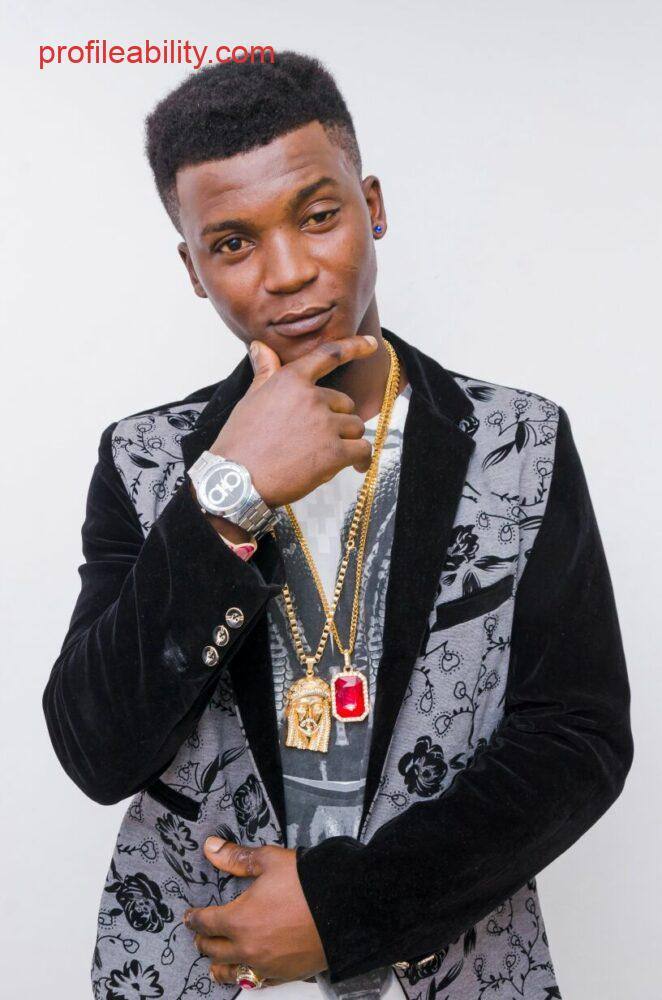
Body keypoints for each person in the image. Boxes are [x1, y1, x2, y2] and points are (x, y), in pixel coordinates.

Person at [43, 51, 634, 1000]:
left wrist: (342, 910)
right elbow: (97, 751)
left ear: (373, 205)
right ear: (193, 269)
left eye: (318, 216)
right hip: (197, 967)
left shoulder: (518, 442)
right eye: (232, 243)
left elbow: (578, 739)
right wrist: (229, 492)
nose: (288, 273)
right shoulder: (145, 460)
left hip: (454, 969)